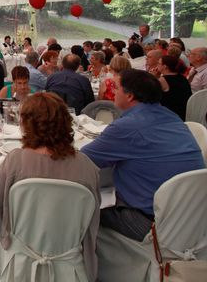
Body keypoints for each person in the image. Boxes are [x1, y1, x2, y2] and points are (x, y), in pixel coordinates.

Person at [0, 92, 100, 282]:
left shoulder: (16, 160)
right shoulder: (87, 167)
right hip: (67, 253)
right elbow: (91, 213)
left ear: (27, 125)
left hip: (23, 249)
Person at [83, 70, 204, 241]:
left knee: (82, 213)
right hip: (191, 218)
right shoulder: (172, 118)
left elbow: (82, 161)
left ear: (130, 96)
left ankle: (98, 266)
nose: (114, 92)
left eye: (117, 88)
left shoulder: (127, 127)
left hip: (151, 224)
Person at [155, 56, 192, 120]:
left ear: (165, 66)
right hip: (185, 112)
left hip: (170, 114)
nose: (157, 65)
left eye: (158, 63)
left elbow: (149, 94)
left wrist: (154, 77)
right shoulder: (182, 77)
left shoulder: (162, 80)